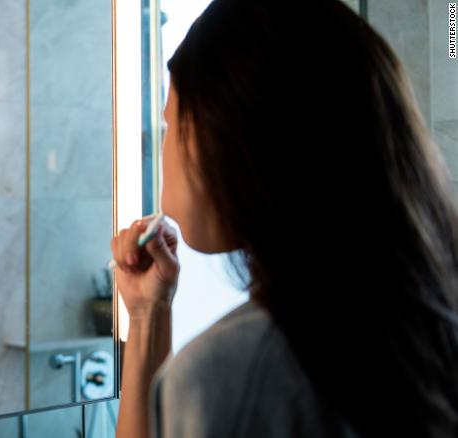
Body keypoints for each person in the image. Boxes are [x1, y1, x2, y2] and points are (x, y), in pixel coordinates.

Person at [112, 0, 458, 437]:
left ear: (225, 137)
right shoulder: (416, 321)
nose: (162, 152)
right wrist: (147, 314)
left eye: (168, 126)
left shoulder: (233, 373)